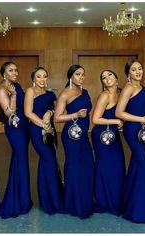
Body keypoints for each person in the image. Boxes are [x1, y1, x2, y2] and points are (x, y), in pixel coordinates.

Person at [54, 64, 94, 219]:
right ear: (71, 76)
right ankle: (73, 203)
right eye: (78, 74)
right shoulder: (65, 94)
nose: (81, 77)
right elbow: (57, 118)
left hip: (84, 135)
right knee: (74, 168)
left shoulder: (85, 92)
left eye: (83, 74)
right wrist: (75, 114)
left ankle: (85, 201)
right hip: (71, 136)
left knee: (88, 165)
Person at [115, 58, 145, 223]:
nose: (138, 72)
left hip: (144, 130)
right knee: (143, 164)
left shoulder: (143, 87)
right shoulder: (128, 88)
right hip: (133, 130)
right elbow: (119, 112)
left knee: (137, 165)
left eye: (140, 69)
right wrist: (141, 119)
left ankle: (129, 205)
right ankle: (140, 212)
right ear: (128, 73)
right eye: (134, 70)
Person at [24, 67, 64, 214]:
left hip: (50, 130)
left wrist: (50, 112)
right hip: (36, 129)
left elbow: (57, 110)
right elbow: (28, 113)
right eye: (38, 76)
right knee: (48, 159)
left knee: (50, 160)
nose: (42, 79)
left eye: (44, 76)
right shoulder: (30, 91)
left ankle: (50, 198)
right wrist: (44, 125)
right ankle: (51, 202)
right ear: (33, 78)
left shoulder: (51, 94)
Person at [0, 61, 32, 218]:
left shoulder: (17, 85)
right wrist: (15, 95)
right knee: (20, 157)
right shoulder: (2, 89)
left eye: (16, 70)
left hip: (23, 126)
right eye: (11, 70)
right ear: (4, 73)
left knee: (20, 159)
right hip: (14, 127)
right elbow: (10, 113)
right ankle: (16, 201)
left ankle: (23, 198)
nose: (15, 73)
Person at [91, 69, 125, 215]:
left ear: (116, 78)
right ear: (103, 83)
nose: (107, 78)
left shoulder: (121, 94)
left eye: (109, 75)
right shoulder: (105, 96)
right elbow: (95, 119)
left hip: (113, 134)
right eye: (103, 77)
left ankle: (117, 200)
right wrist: (116, 120)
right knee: (105, 168)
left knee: (117, 167)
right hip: (102, 135)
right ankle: (104, 202)